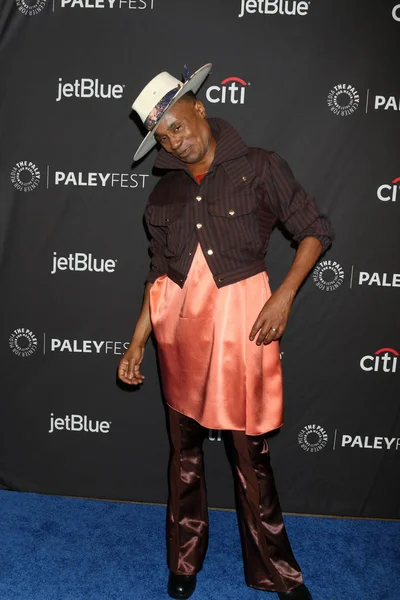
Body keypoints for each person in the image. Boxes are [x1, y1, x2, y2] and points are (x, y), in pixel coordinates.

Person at [118, 63, 333, 599]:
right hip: (178, 330)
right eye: (162, 133)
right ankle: (184, 561)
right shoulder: (162, 196)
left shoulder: (258, 166)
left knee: (250, 455)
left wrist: (283, 296)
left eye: (176, 121)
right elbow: (157, 276)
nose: (174, 137)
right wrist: (137, 342)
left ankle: (275, 571)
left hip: (242, 327)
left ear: (197, 104)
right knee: (184, 452)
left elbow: (314, 230)